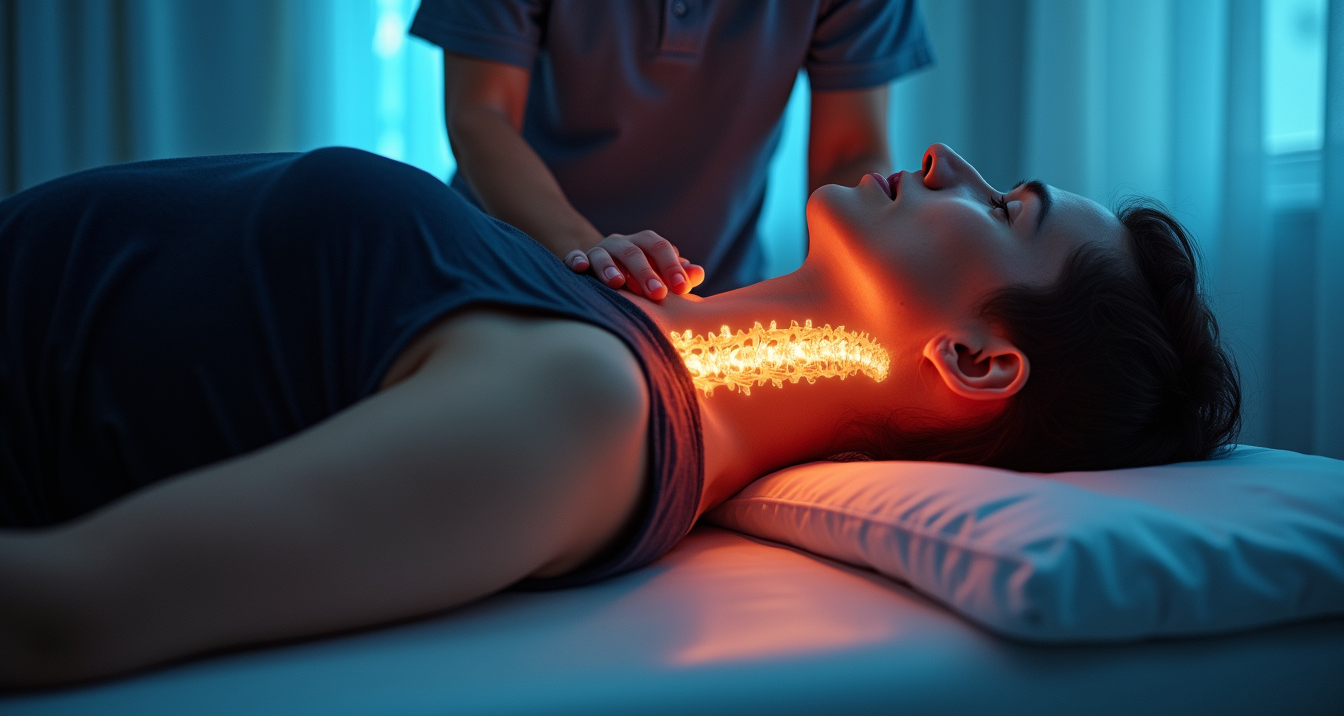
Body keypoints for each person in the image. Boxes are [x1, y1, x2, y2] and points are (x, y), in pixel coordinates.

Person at [0, 143, 1240, 688]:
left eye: (1000, 205)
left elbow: (61, 612)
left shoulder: (585, 415)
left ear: (973, 361)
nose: (941, 160)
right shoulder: (620, 328)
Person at [409, 0, 933, 298]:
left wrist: (853, 300)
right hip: (505, 276)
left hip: (710, 297)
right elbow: (482, 114)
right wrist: (600, 263)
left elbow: (849, 156)